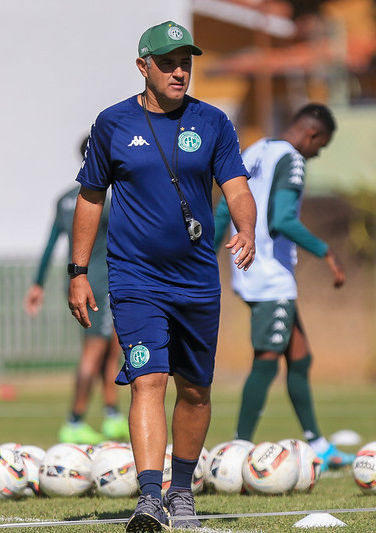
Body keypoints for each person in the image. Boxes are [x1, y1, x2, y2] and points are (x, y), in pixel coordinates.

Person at [68, 21, 256, 532]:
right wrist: (79, 272)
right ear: (142, 66)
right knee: (147, 380)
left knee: (194, 391)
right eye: (169, 63)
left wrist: (247, 229)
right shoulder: (112, 123)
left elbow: (236, 186)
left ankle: (181, 493)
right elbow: (90, 197)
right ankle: (150, 499)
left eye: (186, 63)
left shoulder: (214, 121)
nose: (179, 72)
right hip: (135, 279)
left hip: (196, 281)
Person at [213, 103, 354, 472]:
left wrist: (204, 254)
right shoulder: (291, 159)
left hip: (248, 270)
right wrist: (327, 252)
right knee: (266, 360)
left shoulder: (255, 150)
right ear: (312, 135)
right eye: (320, 147)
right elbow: (282, 219)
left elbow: (224, 210)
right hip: (270, 275)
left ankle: (319, 445)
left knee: (300, 356)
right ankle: (239, 448)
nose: (316, 154)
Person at [23, 136, 128, 445]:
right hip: (103, 282)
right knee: (94, 351)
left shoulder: (65, 198)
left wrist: (37, 284)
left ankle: (111, 415)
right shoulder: (106, 198)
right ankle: (74, 420)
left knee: (110, 347)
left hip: (79, 282)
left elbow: (50, 244)